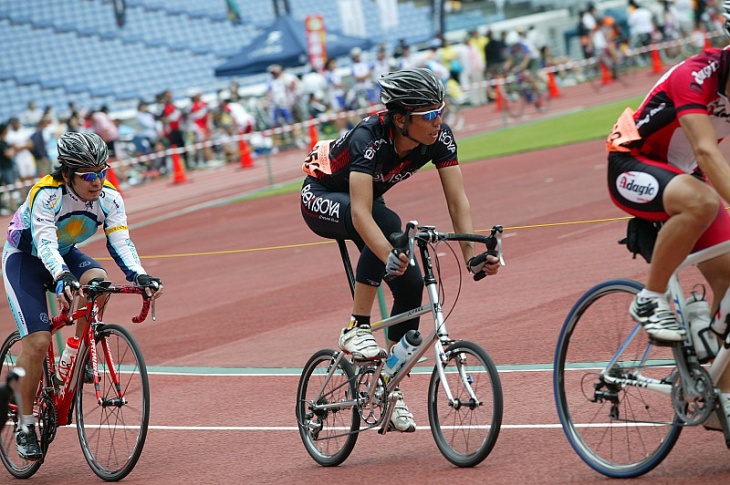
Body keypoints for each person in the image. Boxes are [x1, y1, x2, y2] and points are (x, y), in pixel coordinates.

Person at [299, 68, 500, 432]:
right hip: (321, 195)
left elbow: (457, 198)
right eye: (428, 115)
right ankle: (355, 326)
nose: (438, 120)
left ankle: (386, 383)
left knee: (410, 284)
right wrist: (390, 251)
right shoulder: (369, 137)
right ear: (400, 118)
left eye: (441, 110)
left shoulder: (440, 137)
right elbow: (361, 214)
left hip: (365, 204)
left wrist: (472, 252)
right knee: (390, 227)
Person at [3, 132, 163, 460]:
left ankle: (75, 351)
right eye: (88, 175)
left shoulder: (110, 198)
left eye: (102, 172)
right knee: (37, 341)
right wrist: (61, 277)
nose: (97, 181)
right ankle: (25, 423)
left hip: (64, 252)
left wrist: (140, 275)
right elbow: (45, 243)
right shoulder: (47, 194)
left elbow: (120, 241)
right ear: (66, 175)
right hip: (25, 259)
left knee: (99, 282)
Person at [605, 42, 730, 429]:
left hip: (686, 176)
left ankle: (714, 394)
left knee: (728, 274)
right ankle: (650, 297)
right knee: (702, 201)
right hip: (633, 163)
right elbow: (707, 152)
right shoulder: (695, 75)